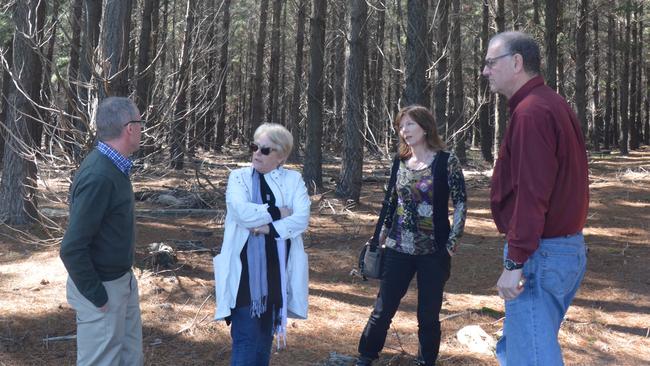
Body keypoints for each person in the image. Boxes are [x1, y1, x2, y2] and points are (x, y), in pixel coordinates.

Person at [483, 31, 589, 365]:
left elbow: (532, 194)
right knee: (515, 349)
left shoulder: (532, 112)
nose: (485, 71)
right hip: (557, 250)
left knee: (530, 358)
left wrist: (515, 262)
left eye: (490, 62)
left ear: (516, 62)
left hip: (541, 255)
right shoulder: (547, 103)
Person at [355, 105, 467, 366]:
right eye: (401, 126)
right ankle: (365, 357)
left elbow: (461, 202)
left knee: (428, 315)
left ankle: (426, 361)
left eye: (410, 125)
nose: (404, 131)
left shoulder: (446, 161)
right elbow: (391, 202)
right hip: (397, 248)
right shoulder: (400, 162)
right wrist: (381, 235)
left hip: (434, 251)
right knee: (382, 310)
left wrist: (452, 243)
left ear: (425, 127)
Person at [213, 123, 310, 366]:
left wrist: (269, 227)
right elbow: (242, 213)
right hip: (244, 273)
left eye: (265, 150)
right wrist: (279, 211)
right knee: (246, 339)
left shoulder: (293, 180)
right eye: (254, 146)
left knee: (263, 341)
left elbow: (302, 218)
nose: (257, 153)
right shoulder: (239, 178)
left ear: (282, 156)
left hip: (277, 273)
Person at [59, 97, 144, 366]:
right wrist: (98, 296)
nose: (143, 129)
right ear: (130, 128)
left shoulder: (113, 168)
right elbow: (72, 248)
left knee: (130, 359)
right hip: (103, 289)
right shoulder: (100, 175)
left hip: (121, 283)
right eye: (140, 123)